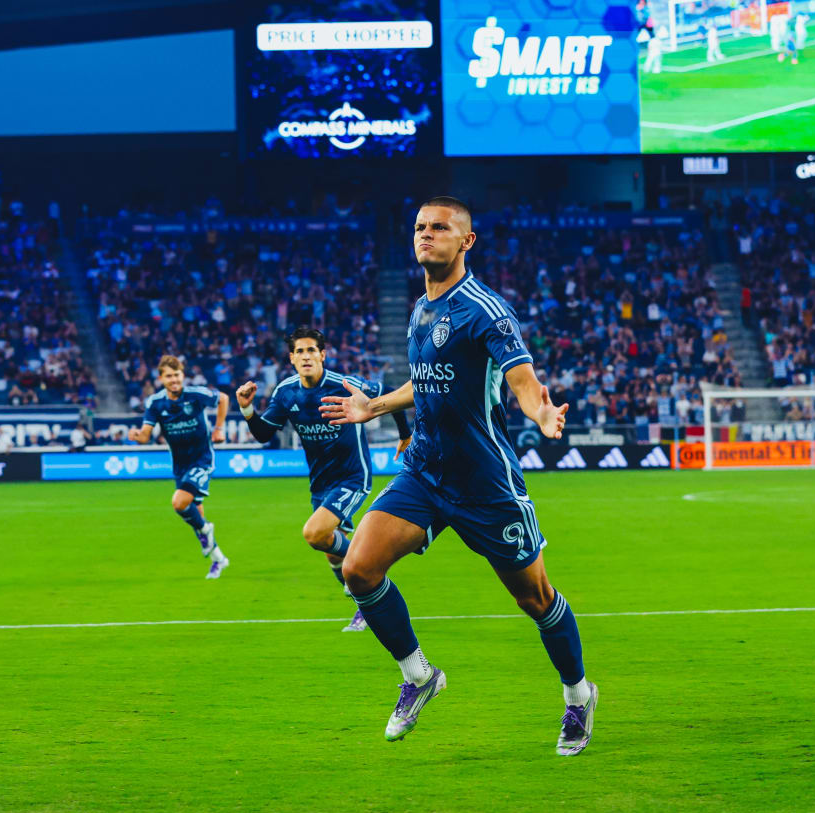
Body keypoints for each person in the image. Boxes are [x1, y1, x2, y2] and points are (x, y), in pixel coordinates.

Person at [320, 197, 597, 756]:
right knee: (358, 568)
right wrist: (374, 407)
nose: (426, 235)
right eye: (420, 227)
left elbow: (520, 378)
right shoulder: (421, 309)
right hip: (424, 472)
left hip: (484, 482)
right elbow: (427, 382)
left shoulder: (485, 310)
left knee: (536, 598)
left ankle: (578, 694)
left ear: (466, 241)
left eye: (440, 228)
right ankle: (420, 677)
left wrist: (541, 412)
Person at [235, 327, 412, 632]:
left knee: (315, 534)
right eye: (299, 351)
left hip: (353, 476)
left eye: (311, 350)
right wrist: (247, 409)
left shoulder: (344, 384)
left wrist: (405, 433)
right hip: (320, 482)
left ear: (322, 355)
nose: (306, 356)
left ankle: (367, 562)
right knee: (331, 550)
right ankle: (364, 602)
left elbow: (389, 396)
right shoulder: (285, 392)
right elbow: (264, 433)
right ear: (291, 358)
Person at [128, 355, 231, 579]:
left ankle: (207, 530)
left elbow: (223, 398)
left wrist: (219, 428)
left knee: (179, 502)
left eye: (177, 375)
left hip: (202, 459)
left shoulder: (195, 394)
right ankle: (218, 559)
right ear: (161, 378)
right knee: (196, 515)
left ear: (182, 375)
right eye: (169, 376)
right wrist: (137, 436)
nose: (174, 380)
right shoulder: (155, 403)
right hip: (180, 465)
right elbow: (146, 435)